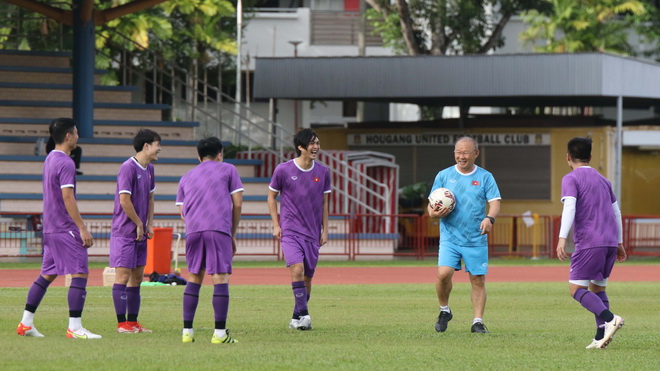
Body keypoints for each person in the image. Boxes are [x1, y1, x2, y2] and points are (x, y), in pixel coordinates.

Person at [16, 118, 101, 339]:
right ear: (68, 136)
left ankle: (26, 323)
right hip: (65, 228)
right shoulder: (66, 162)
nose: (78, 137)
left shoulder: (50, 159)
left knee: (47, 274)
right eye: (77, 132)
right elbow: (67, 196)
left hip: (51, 228)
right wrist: (81, 227)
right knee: (80, 272)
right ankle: (75, 327)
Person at [556, 137, 626, 349]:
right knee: (597, 289)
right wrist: (620, 242)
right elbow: (616, 212)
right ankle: (600, 336)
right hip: (609, 243)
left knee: (575, 289)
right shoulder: (604, 180)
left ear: (568, 157)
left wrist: (561, 238)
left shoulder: (571, 178)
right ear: (591, 157)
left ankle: (610, 318)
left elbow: (569, 207)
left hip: (589, 242)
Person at [428, 136, 501, 334]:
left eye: (466, 153)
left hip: (475, 237)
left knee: (478, 279)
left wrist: (489, 218)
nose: (462, 156)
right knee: (443, 275)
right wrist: (432, 213)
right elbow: (432, 202)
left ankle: (477, 322)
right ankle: (444, 310)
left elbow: (495, 202)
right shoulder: (443, 175)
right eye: (458, 153)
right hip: (450, 237)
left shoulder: (486, 177)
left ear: (475, 154)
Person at [176, 137, 244, 344]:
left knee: (195, 276)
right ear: (220, 154)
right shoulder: (228, 169)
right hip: (218, 227)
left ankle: (187, 332)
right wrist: (230, 233)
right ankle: (220, 334)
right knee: (220, 278)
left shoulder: (186, 177)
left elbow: (182, 212)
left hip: (194, 230)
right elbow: (238, 204)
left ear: (199, 156)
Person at [267, 128, 331, 330]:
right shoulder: (283, 170)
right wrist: (276, 224)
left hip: (312, 232)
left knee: (308, 277)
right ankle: (305, 315)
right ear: (300, 147)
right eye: (312, 143)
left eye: (318, 143)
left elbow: (325, 203)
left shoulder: (323, 172)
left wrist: (325, 230)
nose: (316, 147)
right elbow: (271, 196)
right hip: (291, 231)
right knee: (297, 268)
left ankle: (296, 317)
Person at [110, 129, 161, 334]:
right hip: (125, 231)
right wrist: (138, 223)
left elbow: (150, 199)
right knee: (122, 277)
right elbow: (124, 200)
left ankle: (133, 322)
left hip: (140, 231)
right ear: (146, 146)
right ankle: (122, 324)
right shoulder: (127, 168)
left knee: (137, 278)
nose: (160, 149)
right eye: (158, 144)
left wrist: (148, 223)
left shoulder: (150, 169)